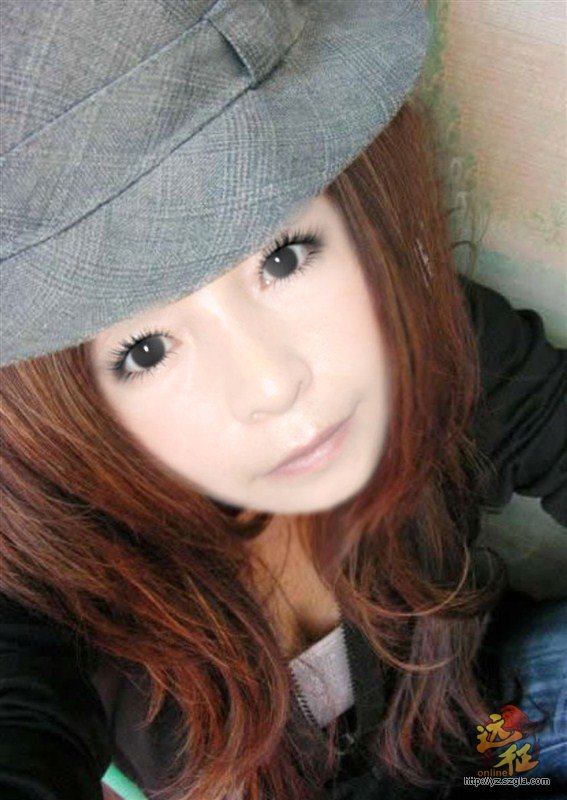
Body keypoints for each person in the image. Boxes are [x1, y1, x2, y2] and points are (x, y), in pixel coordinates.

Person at [0, 2, 565, 799]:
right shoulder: (50, 559)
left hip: (485, 722)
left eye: (283, 258)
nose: (271, 382)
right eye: (145, 350)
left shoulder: (410, 339)